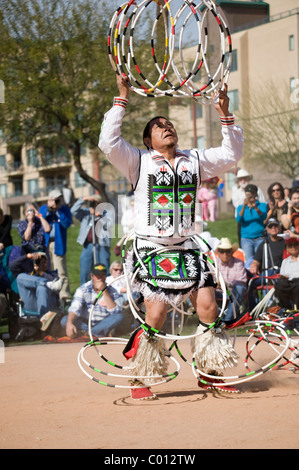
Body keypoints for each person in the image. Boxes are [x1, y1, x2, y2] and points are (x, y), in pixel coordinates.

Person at [98, 74, 244, 399]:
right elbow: (108, 143)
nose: (167, 127)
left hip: (188, 247)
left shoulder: (194, 159)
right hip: (152, 248)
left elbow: (231, 156)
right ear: (148, 140)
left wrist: (225, 114)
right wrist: (121, 97)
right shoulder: (137, 161)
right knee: (156, 314)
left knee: (208, 308)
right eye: (159, 125)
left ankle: (210, 373)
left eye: (170, 124)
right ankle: (141, 378)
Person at [61, 263, 124, 338]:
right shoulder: (83, 289)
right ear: (92, 276)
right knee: (65, 320)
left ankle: (89, 333)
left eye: (102, 276)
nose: (100, 279)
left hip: (103, 322)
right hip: (85, 322)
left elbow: (116, 311)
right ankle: (98, 333)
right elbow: (75, 308)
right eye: (98, 276)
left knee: (119, 317)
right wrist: (69, 323)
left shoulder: (112, 290)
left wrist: (104, 291)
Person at [71, 195, 113, 284]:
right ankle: (84, 291)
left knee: (104, 268)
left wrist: (99, 216)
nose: (95, 205)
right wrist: (82, 199)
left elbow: (109, 224)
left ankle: (107, 289)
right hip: (88, 245)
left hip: (102, 245)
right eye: (93, 203)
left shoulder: (107, 213)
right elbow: (73, 210)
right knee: (85, 270)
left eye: (97, 203)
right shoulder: (86, 213)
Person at [39, 189, 72, 300]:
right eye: (54, 199)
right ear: (49, 199)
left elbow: (66, 223)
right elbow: (40, 218)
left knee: (61, 271)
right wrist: (49, 209)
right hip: (46, 244)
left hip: (58, 243)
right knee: (47, 270)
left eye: (58, 199)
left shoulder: (64, 210)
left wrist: (58, 211)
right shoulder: (43, 208)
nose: (56, 202)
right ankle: (51, 296)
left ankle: (65, 297)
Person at [9, 251, 63, 317]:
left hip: (48, 307)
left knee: (41, 288)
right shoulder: (28, 276)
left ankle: (44, 318)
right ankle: (45, 283)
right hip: (32, 306)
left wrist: (41, 273)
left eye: (46, 262)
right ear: (34, 264)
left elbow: (57, 288)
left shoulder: (52, 275)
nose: (45, 265)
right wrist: (28, 256)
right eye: (42, 263)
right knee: (20, 277)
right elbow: (12, 266)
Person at [215, 238, 247, 322]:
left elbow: (242, 280)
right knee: (206, 291)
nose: (225, 254)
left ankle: (228, 320)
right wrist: (215, 284)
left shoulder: (238, 263)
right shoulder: (213, 263)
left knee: (240, 288)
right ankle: (219, 320)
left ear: (231, 252)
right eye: (222, 251)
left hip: (232, 292)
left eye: (228, 251)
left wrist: (227, 284)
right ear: (218, 253)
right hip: (216, 291)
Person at [231, 169, 266, 245]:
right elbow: (237, 205)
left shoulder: (258, 190)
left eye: (245, 178)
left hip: (257, 218)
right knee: (241, 238)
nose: (243, 181)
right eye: (241, 179)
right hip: (243, 219)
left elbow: (263, 202)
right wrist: (246, 200)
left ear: (248, 179)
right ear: (238, 181)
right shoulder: (236, 192)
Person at [236, 184, 267, 264]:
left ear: (255, 194)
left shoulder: (262, 205)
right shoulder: (240, 207)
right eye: (247, 195)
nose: (249, 197)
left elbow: (264, 216)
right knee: (249, 261)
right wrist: (244, 206)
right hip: (246, 238)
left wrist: (256, 207)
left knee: (260, 261)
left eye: (251, 194)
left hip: (259, 237)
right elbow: (239, 219)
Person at [274, 237, 299, 310]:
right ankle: (287, 308)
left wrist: (290, 275)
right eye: (290, 246)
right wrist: (282, 277)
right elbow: (283, 275)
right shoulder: (285, 261)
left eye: (296, 245)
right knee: (279, 285)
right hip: (289, 283)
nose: (293, 247)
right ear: (287, 249)